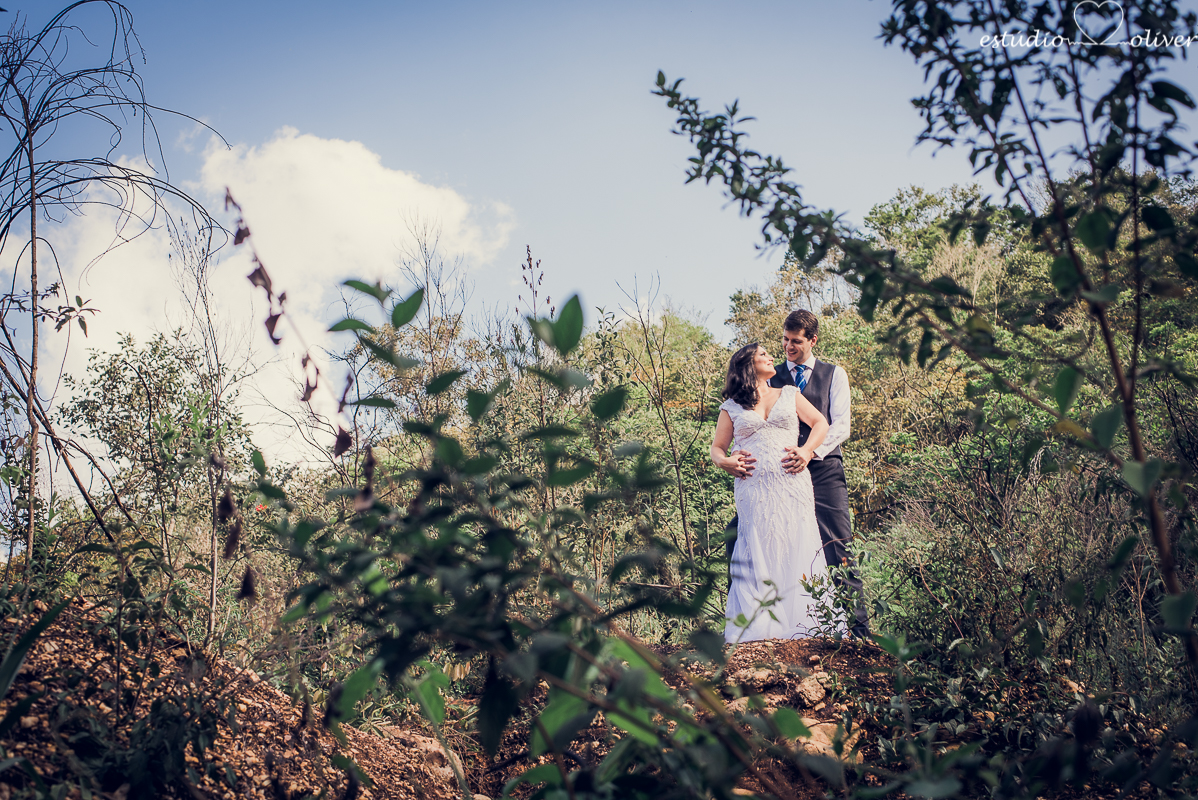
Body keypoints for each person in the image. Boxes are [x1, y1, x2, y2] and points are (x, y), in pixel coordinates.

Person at [720, 309, 871, 639]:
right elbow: (742, 421)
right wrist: (731, 457)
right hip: (772, 478)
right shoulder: (769, 378)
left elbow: (839, 425)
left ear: (812, 341)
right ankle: (749, 621)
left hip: (822, 468)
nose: (788, 347)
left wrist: (807, 453)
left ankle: (858, 630)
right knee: (739, 536)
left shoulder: (834, 375)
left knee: (837, 541)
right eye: (785, 340)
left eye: (796, 341)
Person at [711, 342, 830, 642]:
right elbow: (717, 449)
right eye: (763, 354)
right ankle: (761, 625)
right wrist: (725, 462)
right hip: (753, 489)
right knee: (758, 544)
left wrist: (806, 450)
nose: (770, 357)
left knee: (797, 540)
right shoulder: (731, 407)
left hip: (793, 484)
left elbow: (820, 423)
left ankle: (806, 622)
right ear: (747, 364)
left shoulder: (789, 393)